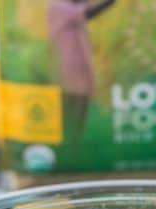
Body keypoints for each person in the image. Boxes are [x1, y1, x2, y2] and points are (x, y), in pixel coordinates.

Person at [47, 0, 116, 139]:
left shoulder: (71, 4)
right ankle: (70, 144)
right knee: (71, 109)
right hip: (68, 67)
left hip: (80, 66)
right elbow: (89, 12)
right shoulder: (58, 5)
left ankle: (75, 142)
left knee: (82, 107)